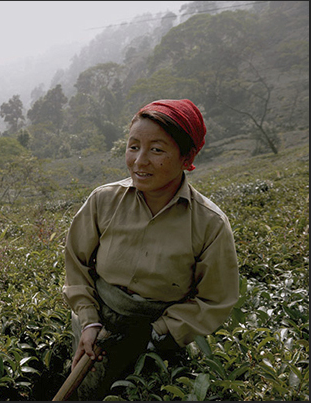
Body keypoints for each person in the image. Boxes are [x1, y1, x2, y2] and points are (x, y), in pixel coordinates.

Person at [62, 99, 239, 400]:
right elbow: (76, 264)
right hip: (96, 321)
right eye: (133, 147)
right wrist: (89, 321)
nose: (139, 161)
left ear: (187, 157)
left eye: (156, 150)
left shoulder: (209, 224)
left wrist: (157, 332)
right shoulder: (103, 200)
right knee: (84, 389)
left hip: (158, 338)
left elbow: (215, 299)